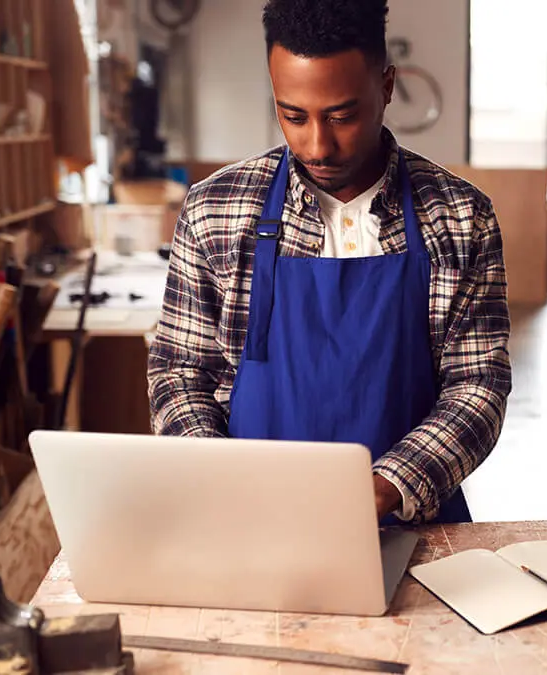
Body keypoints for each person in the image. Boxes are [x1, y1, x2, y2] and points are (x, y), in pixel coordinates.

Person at [146, 0, 512, 526]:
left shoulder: (458, 217)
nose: (317, 145)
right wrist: (216, 473)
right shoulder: (215, 210)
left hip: (413, 525)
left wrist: (389, 485)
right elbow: (180, 373)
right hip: (251, 522)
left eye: (342, 115)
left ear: (385, 88)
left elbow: (478, 383)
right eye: (293, 115)